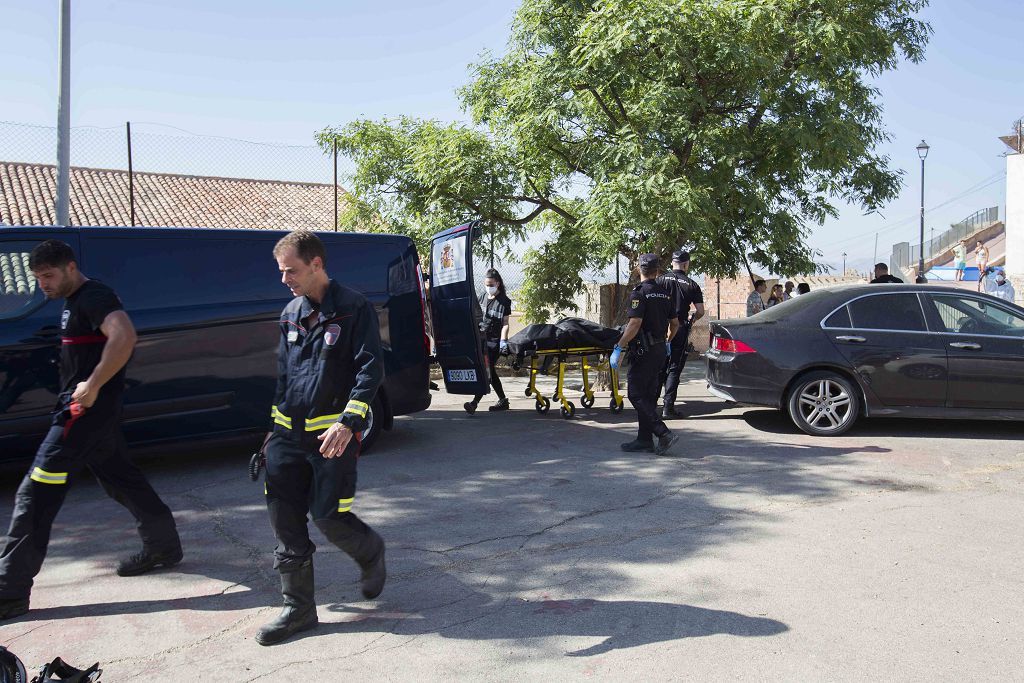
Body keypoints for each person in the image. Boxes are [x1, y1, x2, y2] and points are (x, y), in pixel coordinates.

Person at [0, 240, 182, 621]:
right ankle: (163, 546)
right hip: (94, 415)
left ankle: (9, 592)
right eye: (37, 278)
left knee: (34, 495)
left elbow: (124, 336)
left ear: (70, 267)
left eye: (48, 276)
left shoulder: (93, 296)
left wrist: (94, 384)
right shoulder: (73, 302)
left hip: (82, 415)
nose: (43, 285)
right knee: (121, 479)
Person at [258, 230, 386, 646]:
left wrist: (349, 422)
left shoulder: (353, 308)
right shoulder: (290, 312)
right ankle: (298, 610)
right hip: (286, 438)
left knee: (328, 516)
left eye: (290, 271)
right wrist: (269, 435)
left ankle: (370, 552)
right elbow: (284, 377)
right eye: (281, 272)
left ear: (316, 264)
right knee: (285, 519)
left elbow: (370, 370)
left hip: (332, 439)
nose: (285, 280)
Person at [609, 254, 679, 456]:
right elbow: (675, 324)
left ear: (639, 270)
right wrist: (667, 340)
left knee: (636, 394)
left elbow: (634, 324)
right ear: (657, 271)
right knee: (648, 396)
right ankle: (644, 439)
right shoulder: (665, 293)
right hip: (659, 351)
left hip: (644, 351)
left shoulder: (639, 293)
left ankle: (663, 432)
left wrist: (620, 346)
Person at [657, 249, 705, 419]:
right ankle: (667, 408)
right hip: (681, 328)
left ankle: (651, 405)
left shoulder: (660, 280)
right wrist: (692, 319)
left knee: (659, 366)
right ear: (686, 264)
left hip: (661, 329)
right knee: (674, 368)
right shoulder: (692, 284)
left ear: (672, 263)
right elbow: (700, 311)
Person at [463, 268, 512, 414]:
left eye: (490, 284)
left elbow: (505, 323)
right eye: (486, 284)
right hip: (482, 340)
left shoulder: (504, 301)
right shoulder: (483, 297)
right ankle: (503, 400)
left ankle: (474, 403)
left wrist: (503, 341)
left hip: (494, 342)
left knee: (487, 370)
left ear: (497, 283)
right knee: (490, 371)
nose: (488, 287)